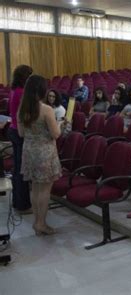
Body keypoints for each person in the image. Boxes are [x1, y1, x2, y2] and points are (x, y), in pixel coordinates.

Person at [18, 75, 61, 235]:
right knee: (44, 190)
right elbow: (55, 134)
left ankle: (37, 222)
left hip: (29, 151)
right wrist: (62, 124)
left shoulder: (22, 109)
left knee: (35, 189)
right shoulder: (46, 109)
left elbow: (21, 133)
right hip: (44, 153)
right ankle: (41, 223)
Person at [7, 64, 33, 214]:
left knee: (18, 169)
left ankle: (18, 202)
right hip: (19, 132)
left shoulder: (14, 90)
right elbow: (25, 115)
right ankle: (23, 205)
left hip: (13, 130)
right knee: (22, 170)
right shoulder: (22, 92)